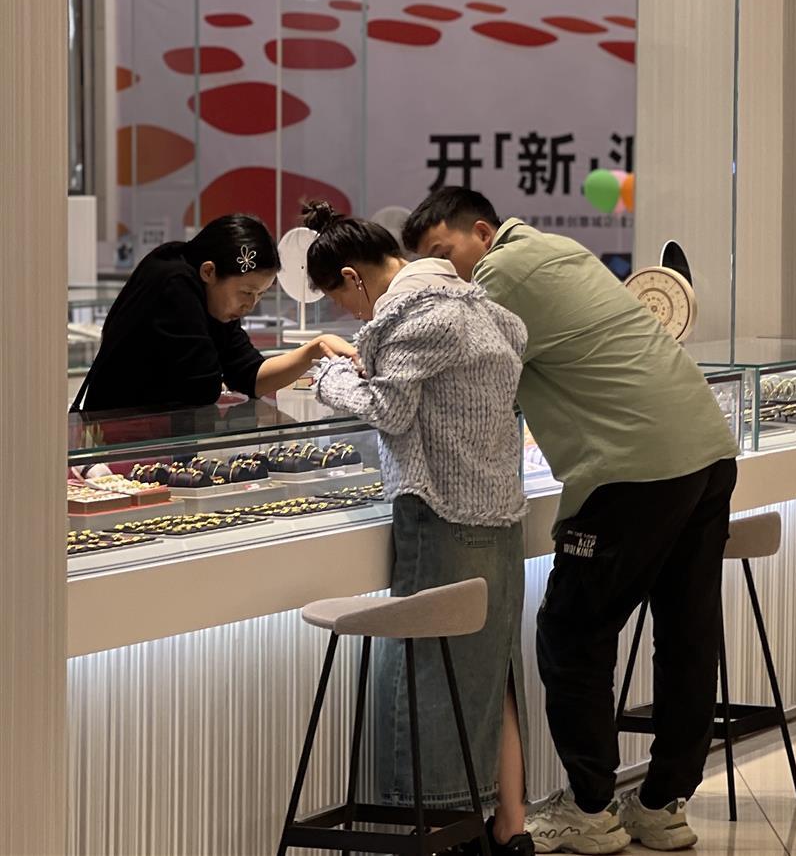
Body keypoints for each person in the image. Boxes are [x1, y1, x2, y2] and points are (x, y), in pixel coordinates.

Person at [403, 188, 740, 854]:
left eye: (445, 253)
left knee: (571, 632)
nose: (444, 273)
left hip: (633, 466)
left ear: (482, 232)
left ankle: (589, 808)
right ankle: (663, 804)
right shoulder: (557, 251)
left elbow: (441, 368)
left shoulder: (499, 274)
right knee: (687, 631)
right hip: (706, 450)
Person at [301, 201, 533, 856]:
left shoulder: (414, 319)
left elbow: (390, 410)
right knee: (491, 676)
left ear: (354, 277)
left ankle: (438, 832)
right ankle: (508, 826)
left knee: (428, 674)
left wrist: (331, 375)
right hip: (501, 517)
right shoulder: (489, 311)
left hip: (442, 517)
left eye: (339, 300)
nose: (348, 317)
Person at [72, 214, 356, 412]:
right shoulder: (174, 283)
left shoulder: (213, 300)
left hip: (157, 441)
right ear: (209, 272)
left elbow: (250, 376)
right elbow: (201, 388)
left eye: (260, 295)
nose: (250, 305)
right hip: (121, 441)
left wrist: (313, 350)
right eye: (246, 292)